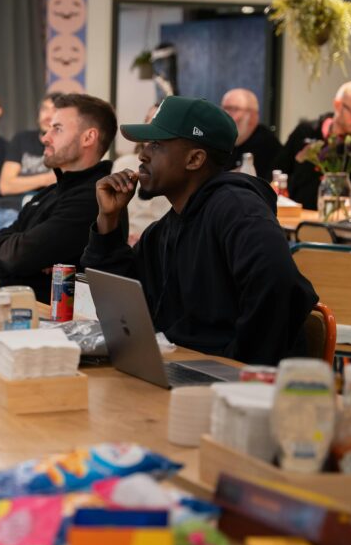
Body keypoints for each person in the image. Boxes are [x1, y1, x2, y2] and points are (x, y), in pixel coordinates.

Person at [81, 96, 317, 365]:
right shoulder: (166, 228)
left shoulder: (237, 208)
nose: (143, 154)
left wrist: (234, 367)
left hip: (243, 387)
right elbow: (123, 302)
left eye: (156, 145)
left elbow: (278, 283)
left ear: (194, 159)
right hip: (184, 369)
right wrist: (109, 219)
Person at [0, 92, 119, 303]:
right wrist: (13, 249)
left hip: (53, 327)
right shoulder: (50, 193)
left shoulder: (93, 198)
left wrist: (12, 246)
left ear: (88, 137)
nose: (45, 137)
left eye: (57, 129)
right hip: (15, 310)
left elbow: (18, 259)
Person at [276, 80, 351, 208]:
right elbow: (277, 171)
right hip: (297, 218)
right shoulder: (305, 132)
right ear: (338, 105)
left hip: (342, 223)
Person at [113, 104, 171, 245]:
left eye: (155, 123)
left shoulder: (175, 172)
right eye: (147, 120)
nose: (142, 156)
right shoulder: (123, 164)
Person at [0, 93, 59, 220]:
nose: (48, 116)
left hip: (34, 213)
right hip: (3, 207)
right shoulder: (22, 139)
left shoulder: (66, 147)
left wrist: (21, 182)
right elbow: (5, 186)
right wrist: (46, 179)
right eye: (44, 109)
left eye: (54, 110)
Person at [221, 88, 281, 180]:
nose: (225, 114)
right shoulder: (222, 141)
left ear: (252, 116)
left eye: (233, 109)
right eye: (223, 108)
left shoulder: (266, 144)